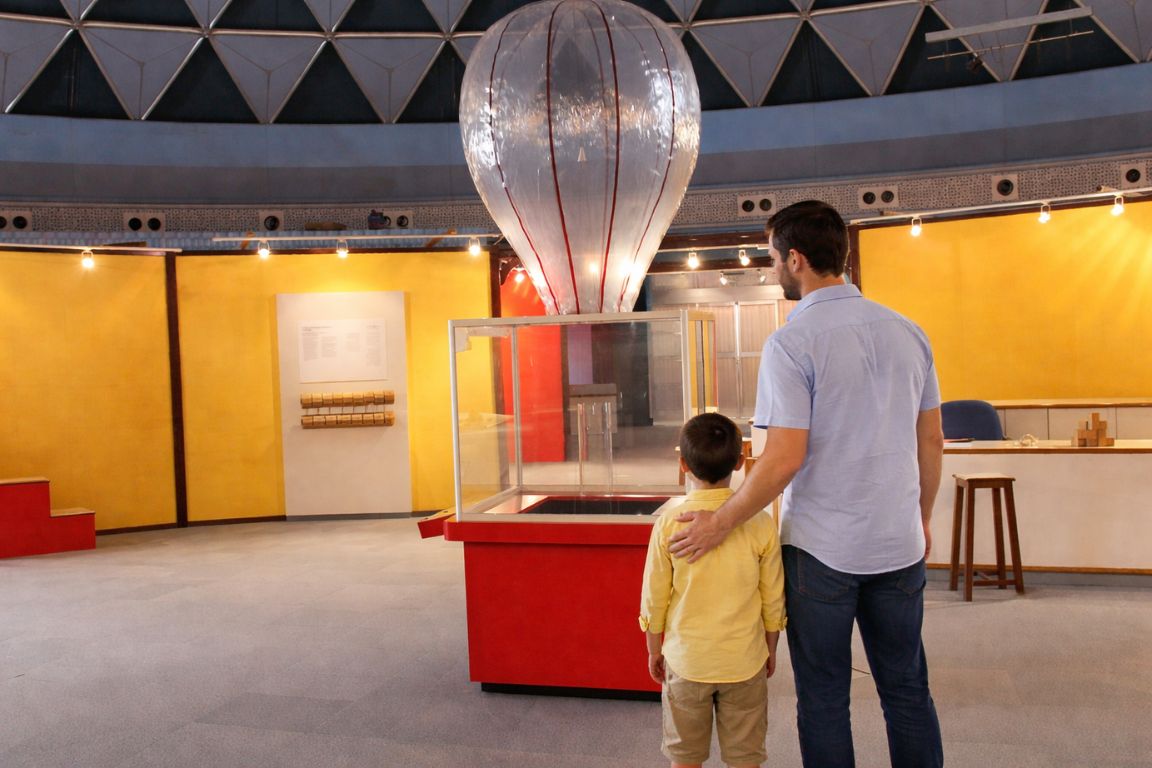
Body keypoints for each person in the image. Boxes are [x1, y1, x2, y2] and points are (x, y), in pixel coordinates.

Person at [667, 200, 945, 768]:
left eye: (772, 258)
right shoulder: (910, 333)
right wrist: (922, 516)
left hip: (823, 553)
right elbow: (932, 442)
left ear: (795, 259)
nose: (772, 268)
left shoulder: (792, 343)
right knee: (907, 690)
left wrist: (720, 522)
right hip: (899, 544)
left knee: (823, 699)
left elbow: (783, 458)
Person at [639, 412, 787, 768]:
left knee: (685, 758)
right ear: (739, 462)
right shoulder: (760, 523)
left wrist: (654, 650)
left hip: (687, 662)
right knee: (745, 759)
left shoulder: (669, 525)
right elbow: (773, 597)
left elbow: (654, 597)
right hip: (744, 662)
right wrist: (770, 648)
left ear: (682, 465)